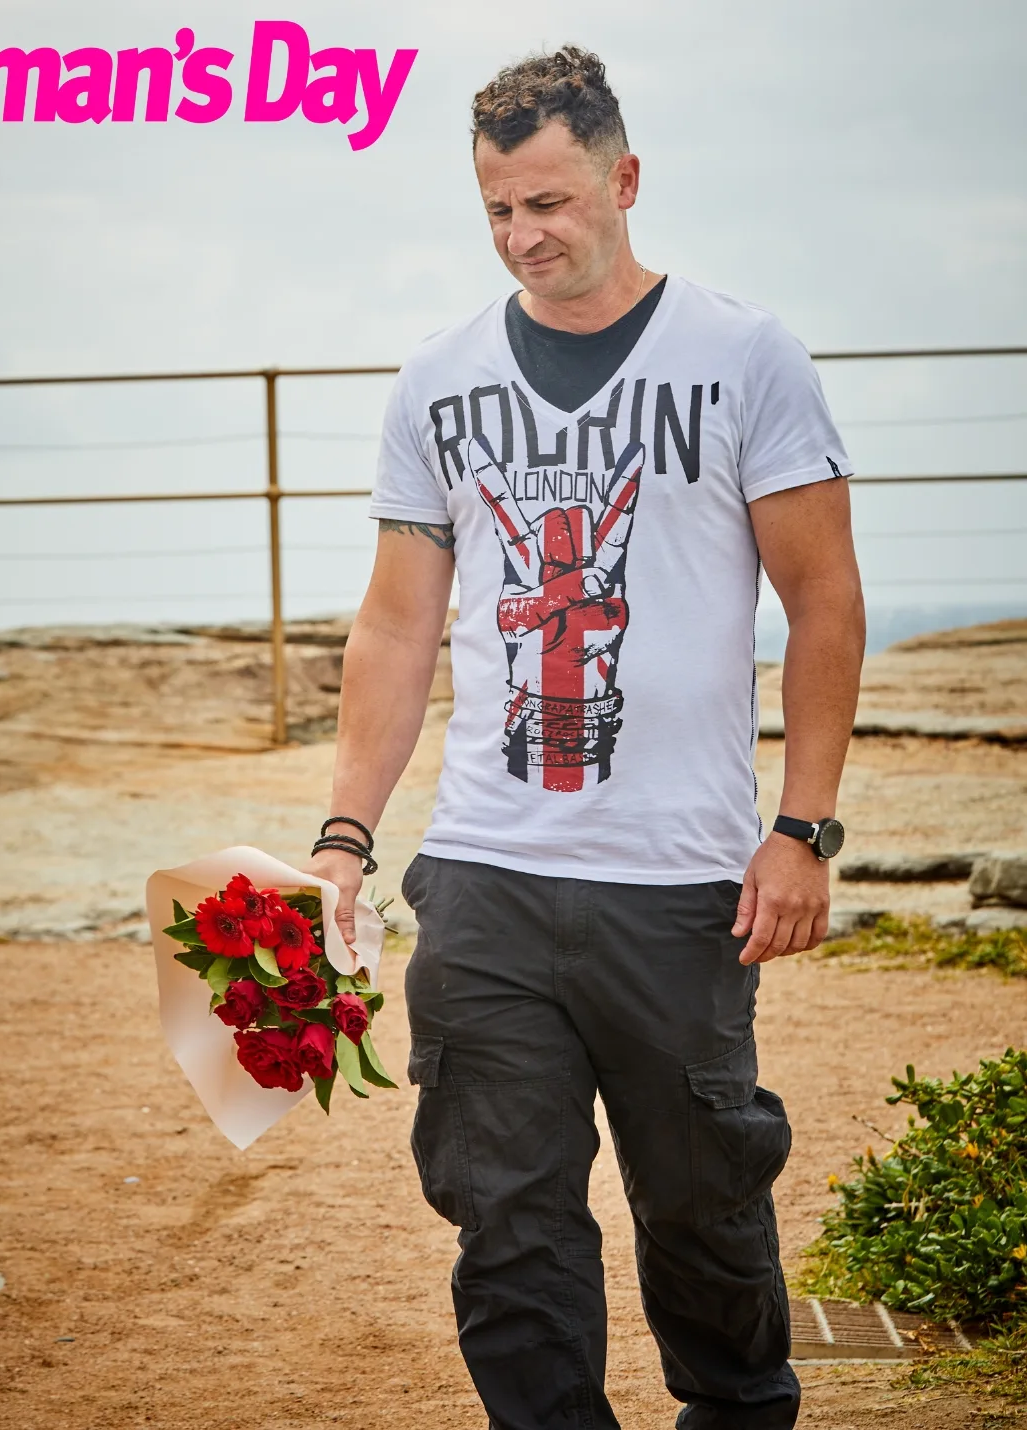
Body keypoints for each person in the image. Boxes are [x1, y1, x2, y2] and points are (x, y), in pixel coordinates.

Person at [308, 44, 865, 1430]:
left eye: (550, 201)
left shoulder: (744, 355)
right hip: (488, 874)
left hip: (679, 888)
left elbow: (825, 600)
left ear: (624, 179)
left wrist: (800, 829)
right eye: (498, 209)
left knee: (703, 1212)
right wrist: (341, 839)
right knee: (506, 1221)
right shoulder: (437, 381)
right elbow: (393, 628)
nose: (525, 236)